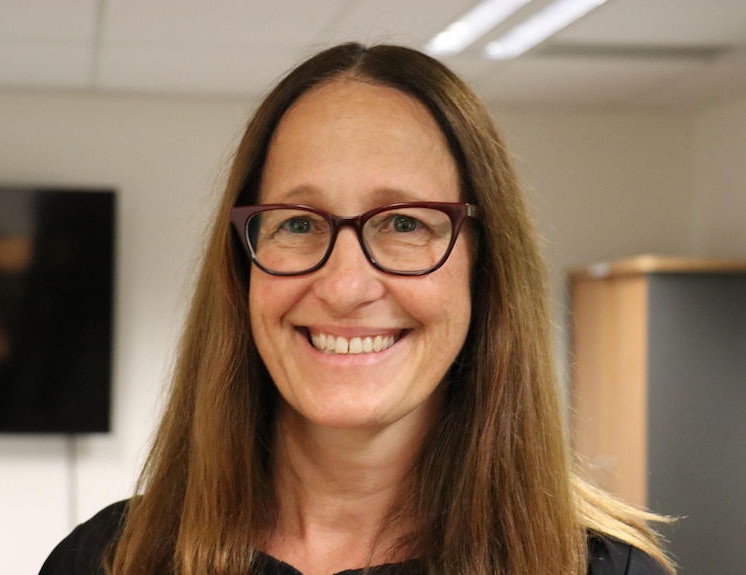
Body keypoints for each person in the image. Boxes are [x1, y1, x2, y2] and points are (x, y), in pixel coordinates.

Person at [40, 43, 675, 575]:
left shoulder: (597, 569)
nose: (345, 286)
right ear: (243, 266)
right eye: (297, 222)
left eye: (403, 222)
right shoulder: (110, 560)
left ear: (485, 269)